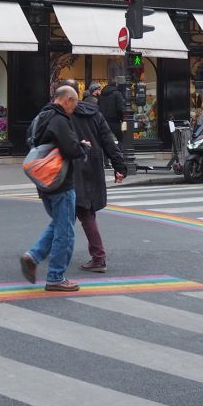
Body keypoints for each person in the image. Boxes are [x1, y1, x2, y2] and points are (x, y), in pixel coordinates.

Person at [19, 85, 88, 293]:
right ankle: (56, 276)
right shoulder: (59, 120)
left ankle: (33, 257)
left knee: (59, 223)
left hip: (45, 182)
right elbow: (71, 149)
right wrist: (82, 146)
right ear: (67, 99)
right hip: (61, 181)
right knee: (65, 231)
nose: (74, 109)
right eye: (74, 104)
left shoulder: (40, 117)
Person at [72, 90, 126, 273]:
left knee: (72, 214)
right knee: (85, 212)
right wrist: (120, 167)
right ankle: (45, 251)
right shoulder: (96, 115)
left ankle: (98, 257)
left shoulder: (63, 114)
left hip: (71, 168)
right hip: (93, 166)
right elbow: (109, 142)